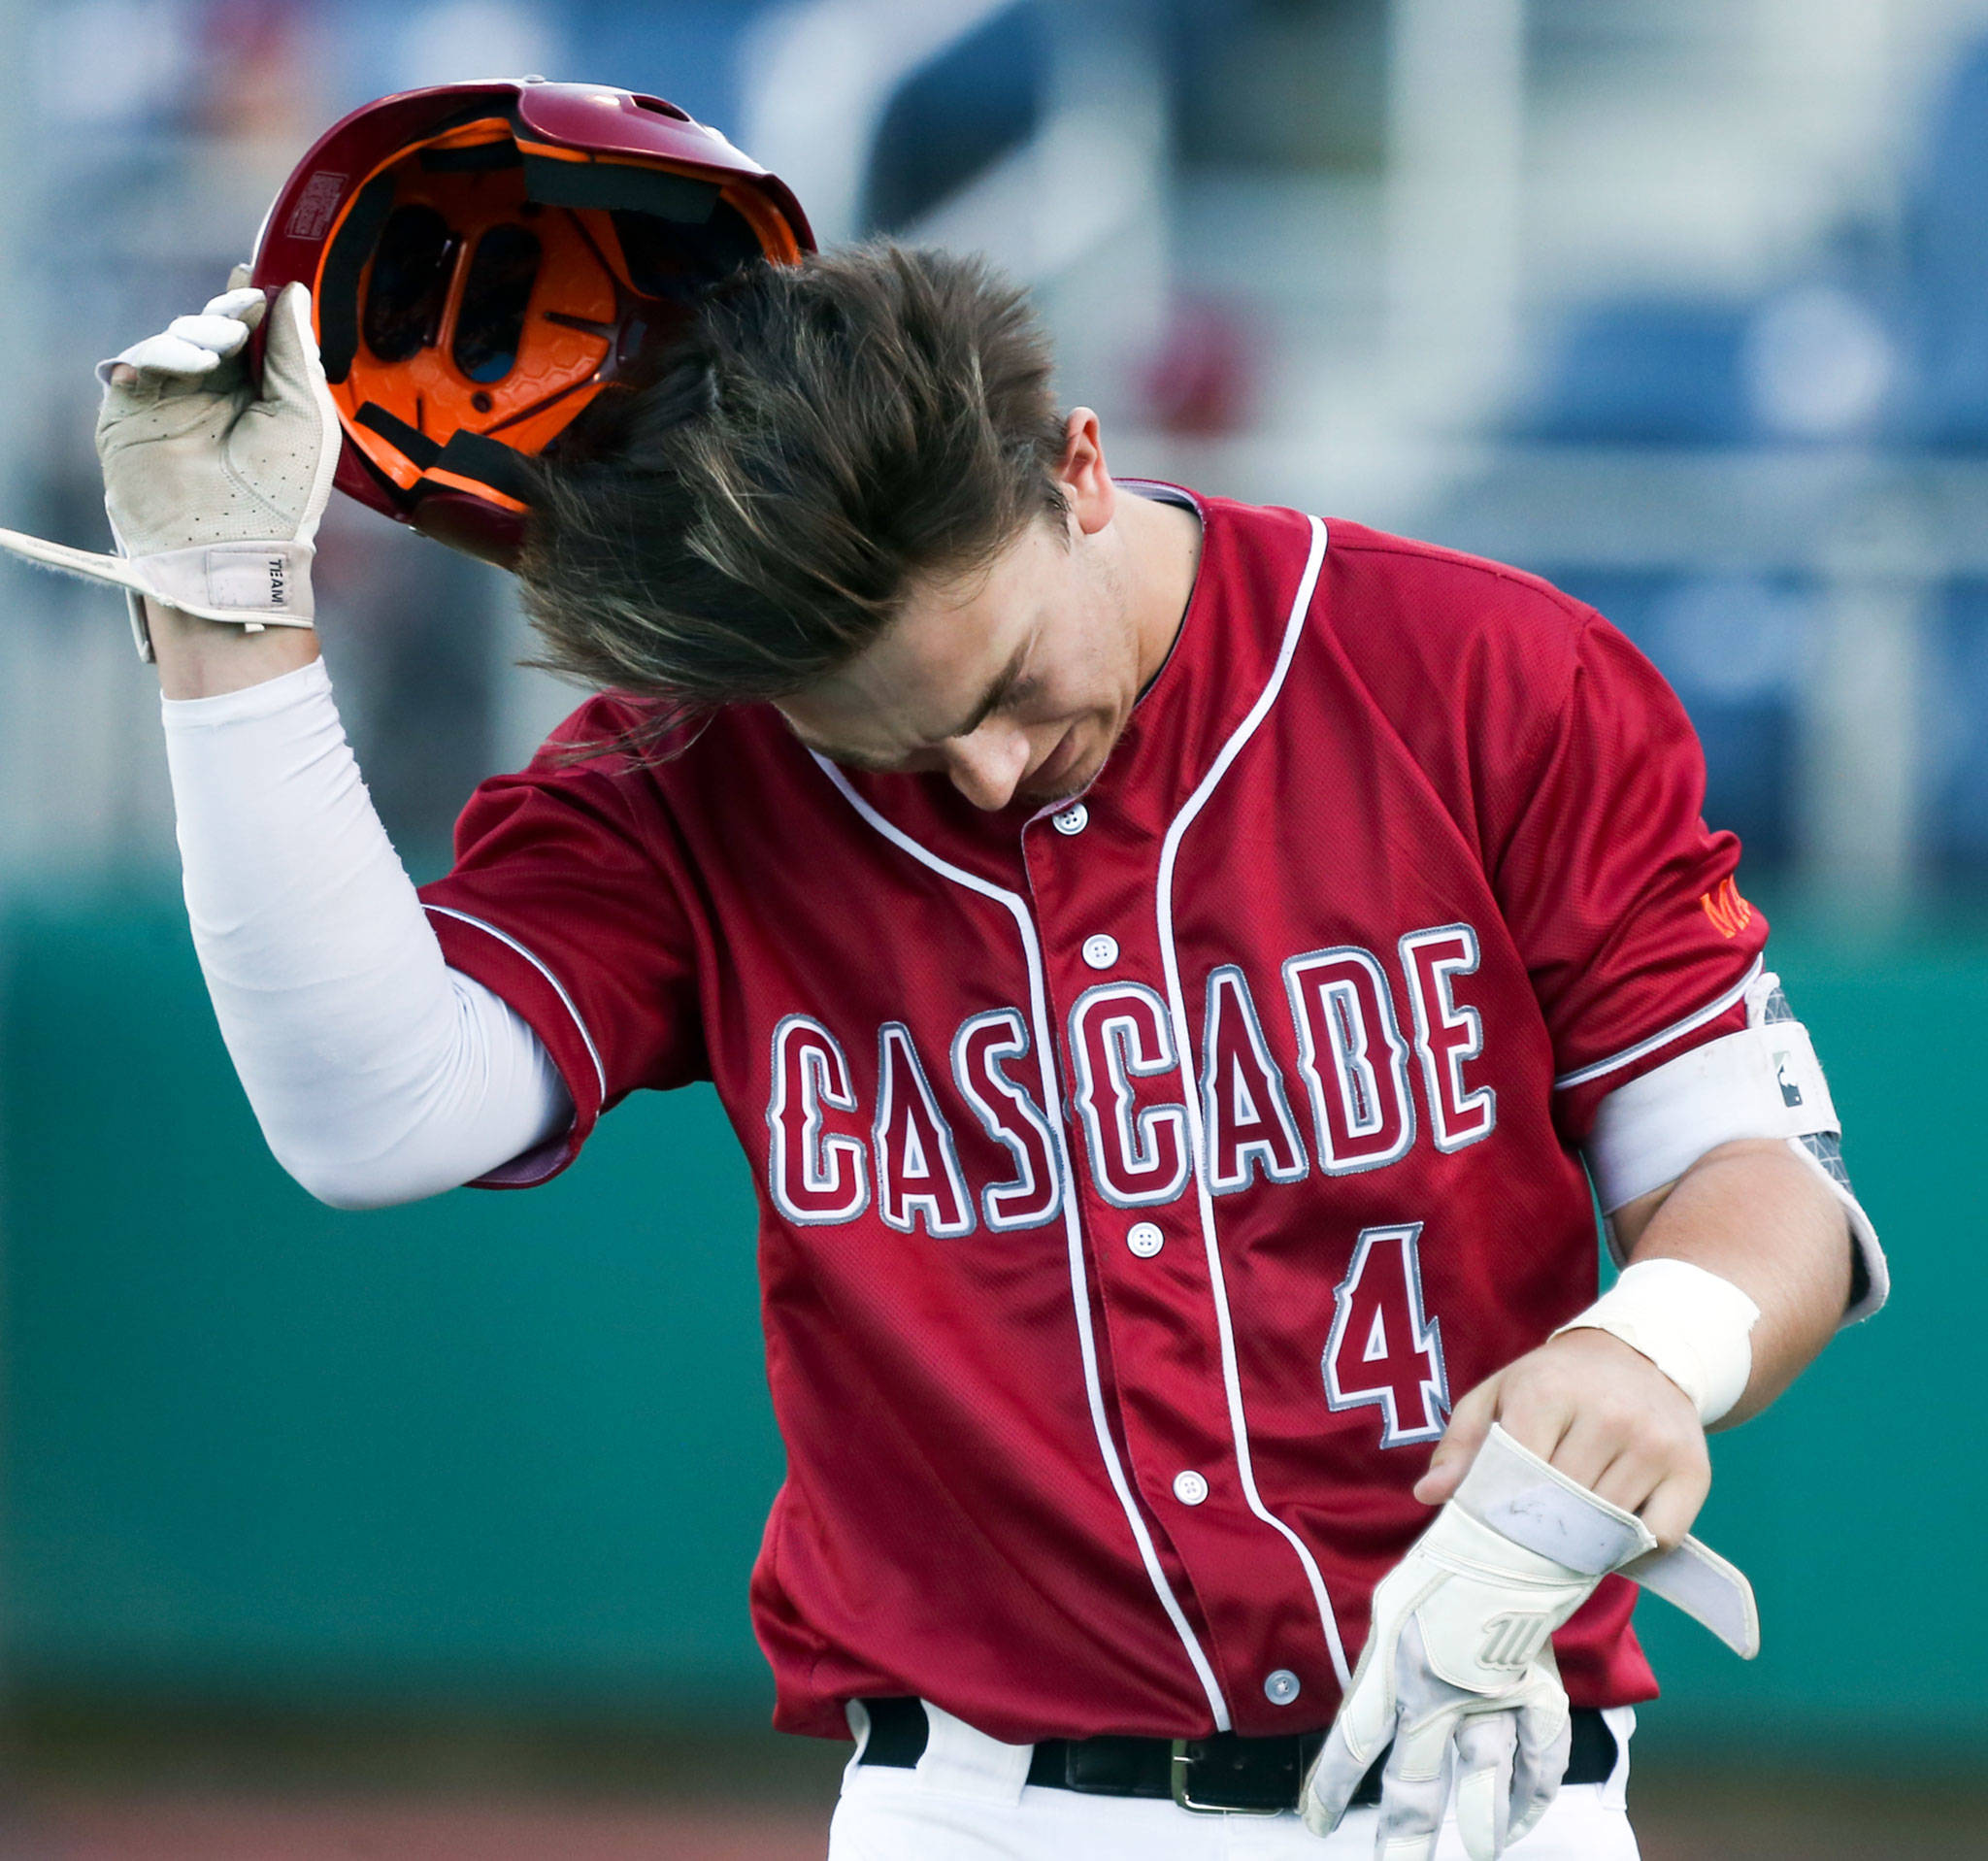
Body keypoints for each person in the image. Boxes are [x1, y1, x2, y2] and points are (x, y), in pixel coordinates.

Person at [62, 245, 1884, 1859]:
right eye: (898, 749)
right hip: (981, 1806)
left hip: (1483, 1789)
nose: (992, 773)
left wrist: (1652, 1349)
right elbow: (379, 1111)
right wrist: (230, 611)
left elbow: (1757, 1174)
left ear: (1078, 467)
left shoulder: (1481, 673)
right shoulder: (700, 775)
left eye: (1006, 684)